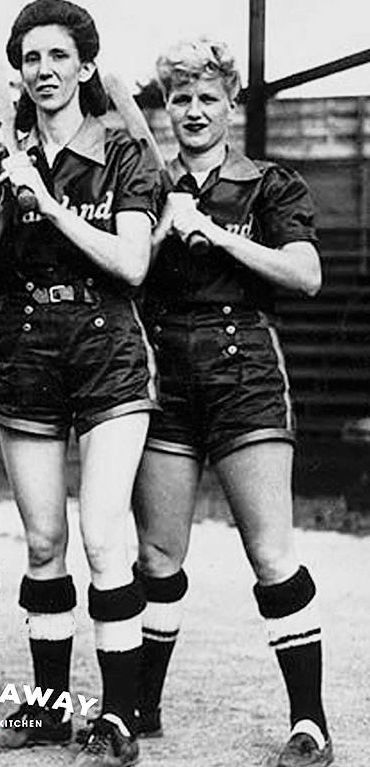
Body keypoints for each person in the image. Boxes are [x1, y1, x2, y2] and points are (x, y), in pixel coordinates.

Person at [132, 39, 332, 767]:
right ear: (166, 107)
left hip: (243, 364)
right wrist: (163, 221)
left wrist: (212, 232)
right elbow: (122, 272)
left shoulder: (269, 184)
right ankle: (140, 708)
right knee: (157, 554)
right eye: (180, 98)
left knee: (269, 551)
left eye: (207, 98)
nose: (193, 111)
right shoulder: (146, 185)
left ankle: (310, 722)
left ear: (231, 104)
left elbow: (305, 275)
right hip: (163, 368)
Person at [0, 0, 159, 767]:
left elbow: (132, 262)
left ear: (86, 68)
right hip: (26, 345)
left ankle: (117, 717)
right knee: (44, 540)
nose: (44, 70)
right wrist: (2, 193)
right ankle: (51, 712)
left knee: (102, 536)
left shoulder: (123, 153)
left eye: (59, 56)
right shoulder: (9, 156)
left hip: (106, 343)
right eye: (31, 58)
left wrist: (49, 206)